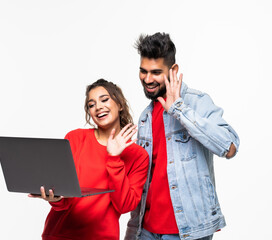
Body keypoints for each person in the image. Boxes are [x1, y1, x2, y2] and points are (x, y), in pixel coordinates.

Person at [124, 33, 240, 240]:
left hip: (186, 231)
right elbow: (143, 181)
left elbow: (229, 147)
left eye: (155, 72)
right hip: (147, 230)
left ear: (173, 70)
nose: (147, 79)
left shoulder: (196, 102)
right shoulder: (145, 118)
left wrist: (179, 109)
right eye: (143, 71)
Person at [29, 79, 149, 240]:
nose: (98, 107)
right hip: (59, 234)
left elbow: (125, 205)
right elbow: (64, 196)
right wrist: (55, 198)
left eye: (104, 99)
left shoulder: (138, 155)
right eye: (91, 105)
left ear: (120, 104)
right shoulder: (75, 138)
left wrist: (114, 158)